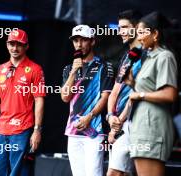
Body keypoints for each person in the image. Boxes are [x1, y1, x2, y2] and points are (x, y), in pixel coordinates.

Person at [0, 29, 45, 176]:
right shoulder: (0, 69)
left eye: (19, 44)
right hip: (1, 129)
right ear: (6, 45)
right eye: (11, 44)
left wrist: (37, 130)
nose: (14, 48)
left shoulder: (35, 69)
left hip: (22, 130)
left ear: (26, 46)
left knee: (18, 173)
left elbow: (39, 100)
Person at [129, 11, 178, 176]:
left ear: (155, 33)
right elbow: (149, 89)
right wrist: (132, 84)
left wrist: (140, 95)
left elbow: (170, 94)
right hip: (141, 127)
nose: (139, 37)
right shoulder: (149, 58)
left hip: (153, 128)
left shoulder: (165, 56)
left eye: (142, 32)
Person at [61, 24, 114, 176]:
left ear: (92, 41)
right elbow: (65, 97)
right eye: (75, 40)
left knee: (93, 173)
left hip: (95, 131)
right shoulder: (68, 69)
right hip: (73, 130)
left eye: (83, 40)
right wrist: (73, 73)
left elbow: (105, 97)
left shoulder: (104, 67)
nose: (79, 44)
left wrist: (89, 117)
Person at [106, 10, 143, 176]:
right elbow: (115, 91)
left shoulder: (147, 54)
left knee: (114, 173)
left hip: (136, 121)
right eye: (119, 27)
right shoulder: (126, 56)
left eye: (125, 27)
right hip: (121, 123)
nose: (120, 31)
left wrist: (118, 122)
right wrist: (110, 117)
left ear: (136, 27)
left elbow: (139, 92)